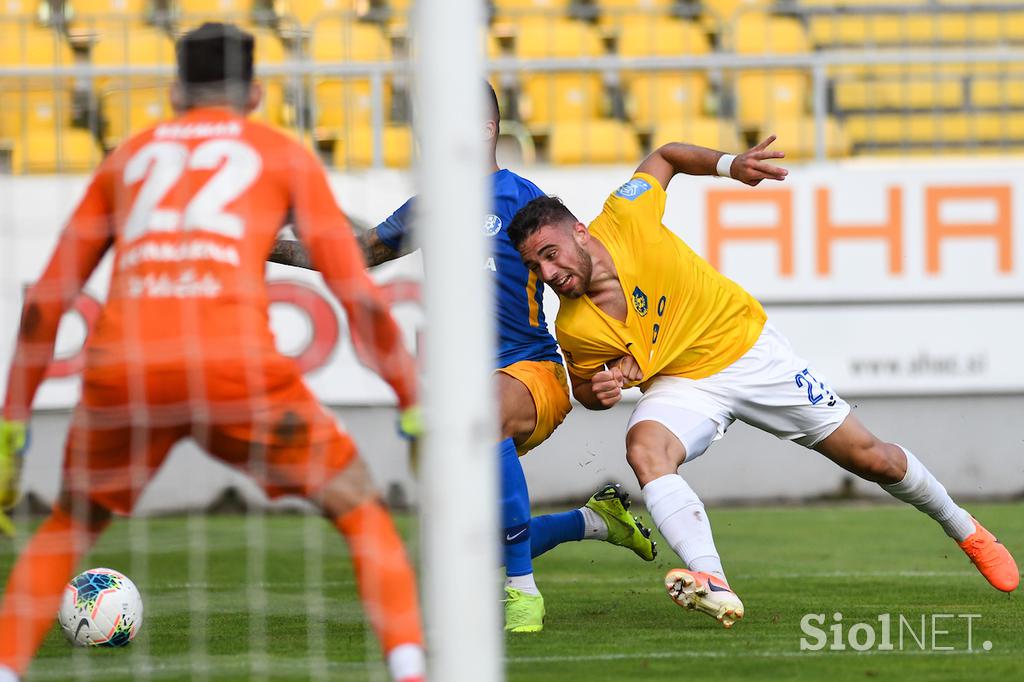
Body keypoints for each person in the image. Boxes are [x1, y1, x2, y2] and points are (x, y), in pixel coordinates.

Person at [0, 23, 427, 682]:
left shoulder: (126, 160)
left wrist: (12, 426)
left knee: (68, 527)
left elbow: (45, 304)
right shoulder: (279, 155)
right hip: (238, 371)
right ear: (255, 92)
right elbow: (360, 298)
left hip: (125, 374)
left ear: (174, 92)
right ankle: (410, 671)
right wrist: (412, 407)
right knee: (361, 508)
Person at [507, 136, 1020, 628]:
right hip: (684, 384)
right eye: (535, 265)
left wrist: (732, 165)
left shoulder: (625, 214)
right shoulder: (573, 326)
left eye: (550, 254)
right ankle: (714, 579)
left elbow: (665, 156)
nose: (548, 273)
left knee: (874, 459)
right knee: (644, 449)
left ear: (579, 231)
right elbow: (584, 387)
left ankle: (965, 529)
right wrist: (598, 392)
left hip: (749, 351)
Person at [267, 81, 657, 633]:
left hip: (532, 371)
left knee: (483, 416)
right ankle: (596, 521)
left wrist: (621, 353)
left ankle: (523, 595)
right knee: (475, 548)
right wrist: (267, 245)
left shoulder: (522, 199)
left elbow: (587, 269)